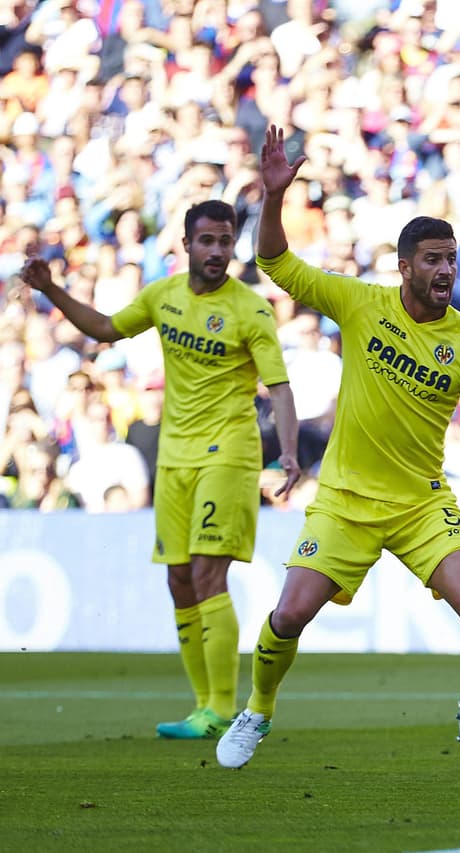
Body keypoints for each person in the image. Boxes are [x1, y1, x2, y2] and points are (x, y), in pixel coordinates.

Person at [216, 126, 460, 774]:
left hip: (421, 501)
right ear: (404, 266)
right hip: (343, 499)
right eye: (431, 259)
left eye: (450, 258)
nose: (445, 269)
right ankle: (257, 709)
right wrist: (275, 199)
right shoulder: (360, 304)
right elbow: (278, 264)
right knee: (287, 615)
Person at [21, 199, 302, 740]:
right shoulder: (163, 295)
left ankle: (222, 707)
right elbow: (105, 329)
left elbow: (280, 386)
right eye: (208, 241)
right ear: (186, 244)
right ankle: (202, 704)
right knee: (179, 580)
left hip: (230, 453)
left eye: (226, 241)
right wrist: (51, 289)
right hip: (174, 457)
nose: (218, 251)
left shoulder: (250, 309)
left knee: (205, 573)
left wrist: (287, 452)